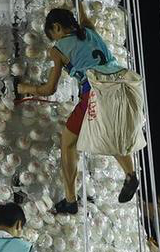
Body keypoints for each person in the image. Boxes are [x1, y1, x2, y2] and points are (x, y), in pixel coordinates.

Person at [16, 4, 139, 215]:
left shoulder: (59, 48)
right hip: (121, 84)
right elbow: (85, 18)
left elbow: (50, 89)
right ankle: (130, 174)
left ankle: (70, 199)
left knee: (68, 142)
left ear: (56, 27)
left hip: (95, 90)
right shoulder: (89, 31)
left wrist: (25, 88)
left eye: (52, 35)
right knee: (110, 132)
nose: (54, 40)